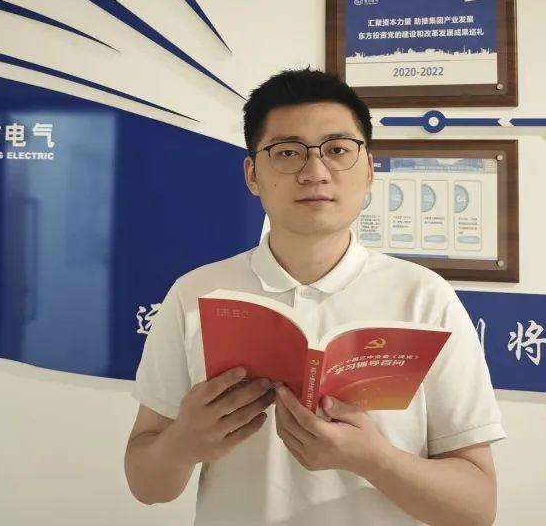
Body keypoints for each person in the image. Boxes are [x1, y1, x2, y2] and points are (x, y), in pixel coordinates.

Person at [124, 68, 505, 526]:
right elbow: (146, 486)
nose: (315, 172)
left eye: (337, 150)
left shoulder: (425, 298)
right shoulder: (196, 294)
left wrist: (374, 460)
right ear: (252, 174)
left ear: (369, 169)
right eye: (287, 152)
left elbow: (476, 508)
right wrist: (184, 443)